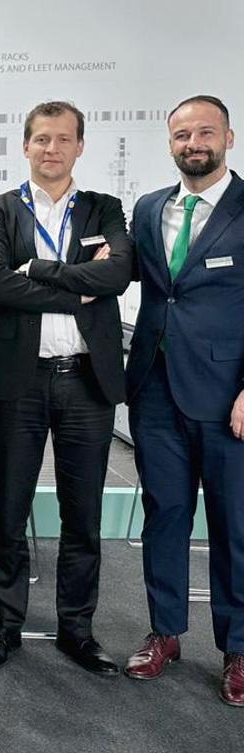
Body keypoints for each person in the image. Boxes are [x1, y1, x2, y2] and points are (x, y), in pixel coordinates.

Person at [0, 101, 132, 676]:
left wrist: (36, 269)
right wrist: (78, 286)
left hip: (86, 382)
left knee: (81, 514)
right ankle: (5, 625)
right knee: (8, 511)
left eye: (63, 139)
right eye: (42, 138)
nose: (52, 149)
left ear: (80, 147)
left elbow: (117, 275)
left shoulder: (104, 209)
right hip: (20, 381)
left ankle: (77, 630)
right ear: (26, 145)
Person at [123, 94, 244, 707]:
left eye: (204, 132)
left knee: (235, 527)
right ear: (169, 143)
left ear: (228, 136)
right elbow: (142, 284)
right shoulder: (149, 209)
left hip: (230, 400)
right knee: (164, 517)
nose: (192, 143)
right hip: (155, 392)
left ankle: (239, 649)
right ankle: (165, 632)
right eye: (181, 134)